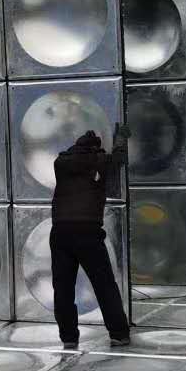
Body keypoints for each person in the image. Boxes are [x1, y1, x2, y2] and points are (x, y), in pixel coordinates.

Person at [50, 124, 131, 349]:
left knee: (63, 289)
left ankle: (68, 337)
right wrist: (120, 139)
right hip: (87, 231)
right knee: (104, 285)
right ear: (95, 148)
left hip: (60, 231)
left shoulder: (61, 163)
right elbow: (118, 160)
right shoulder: (98, 161)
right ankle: (119, 334)